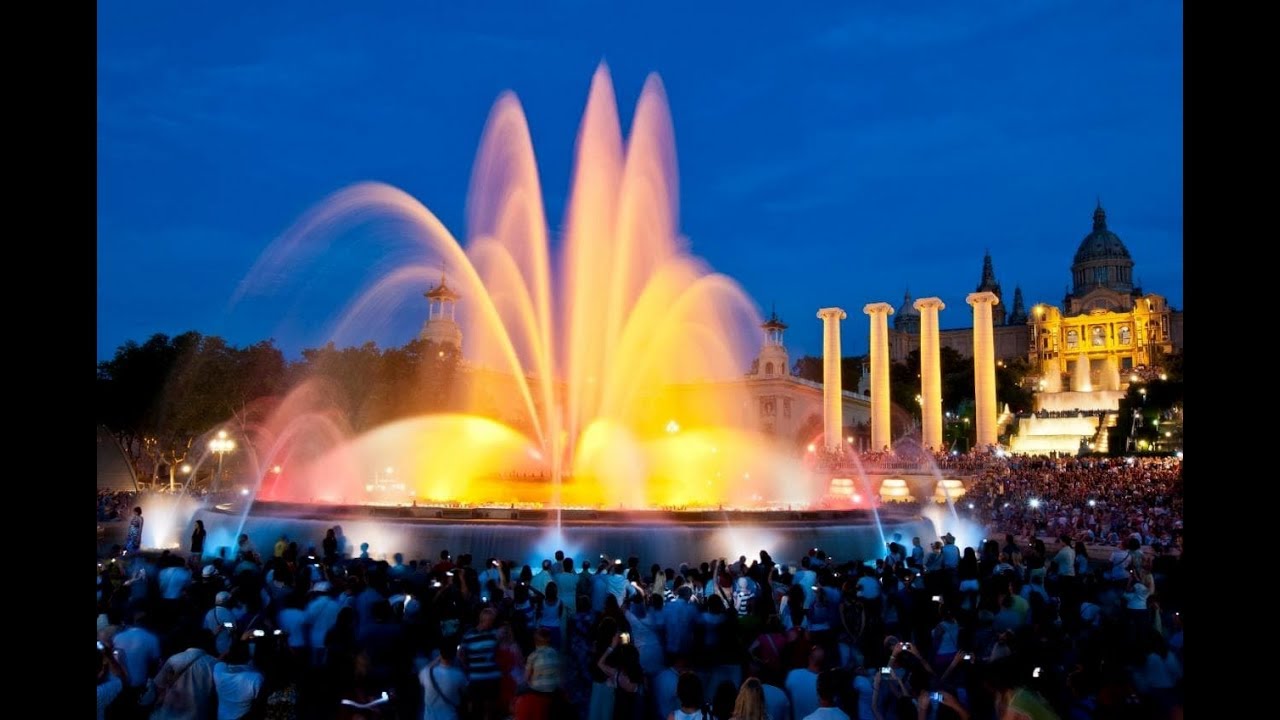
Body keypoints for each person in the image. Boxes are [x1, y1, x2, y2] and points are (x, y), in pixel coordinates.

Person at [421, 641, 468, 720]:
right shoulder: (459, 675)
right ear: (454, 655)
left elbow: (426, 668)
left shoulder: (426, 673)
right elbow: (466, 692)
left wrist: (439, 657)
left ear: (440, 653)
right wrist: (462, 661)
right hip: (450, 716)